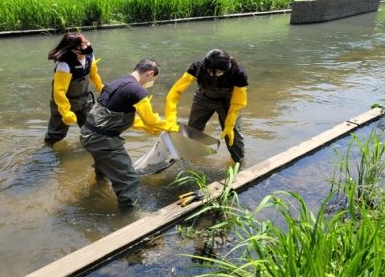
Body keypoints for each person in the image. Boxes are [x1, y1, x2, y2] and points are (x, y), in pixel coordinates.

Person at [80, 59, 178, 206]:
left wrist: (144, 126)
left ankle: (97, 186)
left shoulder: (118, 82)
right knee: (130, 180)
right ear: (150, 73)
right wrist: (171, 127)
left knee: (104, 163)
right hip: (101, 140)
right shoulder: (138, 90)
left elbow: (113, 115)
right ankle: (128, 214)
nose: (151, 83)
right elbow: (151, 120)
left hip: (88, 133)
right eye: (153, 80)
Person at [165, 49, 248, 164]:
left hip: (228, 103)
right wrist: (170, 117)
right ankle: (193, 160)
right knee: (192, 131)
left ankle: (238, 163)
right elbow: (175, 91)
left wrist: (229, 125)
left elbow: (237, 102)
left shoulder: (238, 72)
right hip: (202, 99)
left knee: (233, 136)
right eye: (217, 71)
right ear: (207, 66)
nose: (220, 73)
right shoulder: (197, 66)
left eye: (222, 71)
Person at [44, 32, 103, 144]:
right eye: (83, 45)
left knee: (92, 128)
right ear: (74, 50)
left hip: (84, 100)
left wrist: (100, 87)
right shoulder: (65, 65)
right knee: (57, 133)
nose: (88, 45)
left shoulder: (90, 57)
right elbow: (59, 91)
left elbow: (93, 74)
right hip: (64, 103)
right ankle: (48, 151)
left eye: (86, 42)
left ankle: (92, 150)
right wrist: (65, 111)